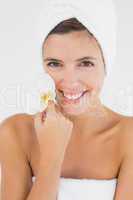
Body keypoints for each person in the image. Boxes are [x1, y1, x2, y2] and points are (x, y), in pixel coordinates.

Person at [0, 14, 133, 200]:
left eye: (85, 63)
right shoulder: (15, 132)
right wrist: (52, 155)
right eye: (54, 64)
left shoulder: (128, 136)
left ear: (106, 65)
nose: (69, 81)